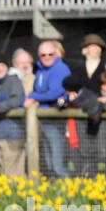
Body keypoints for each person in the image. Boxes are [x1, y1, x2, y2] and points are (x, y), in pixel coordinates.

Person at [25, 40, 70, 180]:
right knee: (49, 163)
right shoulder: (40, 70)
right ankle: (56, 194)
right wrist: (37, 97)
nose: (47, 57)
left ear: (56, 54)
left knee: (58, 164)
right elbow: (42, 91)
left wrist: (33, 96)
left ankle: (71, 191)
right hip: (43, 121)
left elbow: (54, 92)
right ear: (39, 56)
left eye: (51, 54)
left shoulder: (60, 69)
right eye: (43, 55)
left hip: (55, 120)